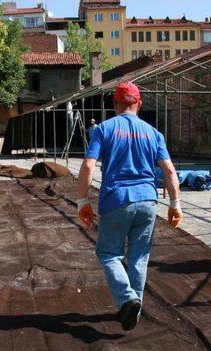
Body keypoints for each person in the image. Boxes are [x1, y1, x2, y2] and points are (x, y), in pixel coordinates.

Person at [76, 82, 182, 331]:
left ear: (114, 105)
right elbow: (168, 169)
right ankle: (133, 310)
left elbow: (89, 165)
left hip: (116, 200)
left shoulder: (103, 129)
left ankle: (127, 299)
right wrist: (175, 204)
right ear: (139, 104)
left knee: (108, 254)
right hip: (147, 200)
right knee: (139, 258)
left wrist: (82, 201)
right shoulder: (154, 133)